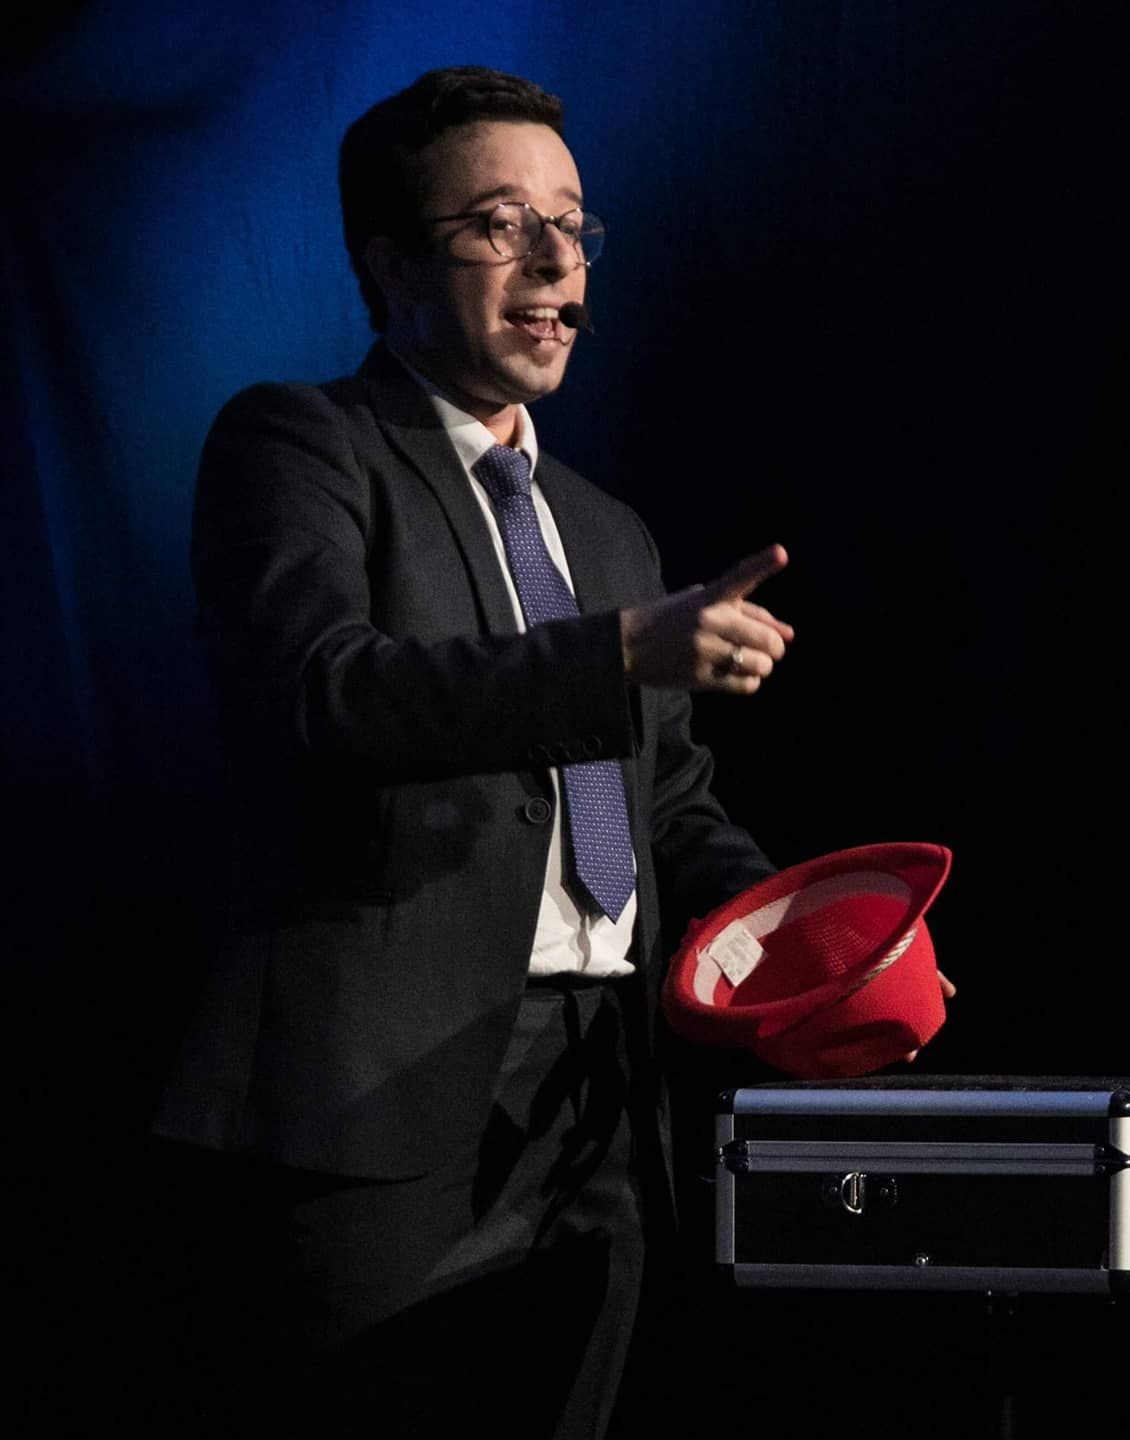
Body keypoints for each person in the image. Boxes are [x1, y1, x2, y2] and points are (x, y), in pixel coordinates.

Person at [152, 65, 797, 1439]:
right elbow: (323, 696)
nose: (555, 262)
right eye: (502, 224)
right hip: (380, 1099)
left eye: (573, 223)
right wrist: (613, 655)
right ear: (390, 265)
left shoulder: (605, 528)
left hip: (602, 1097)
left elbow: (669, 798)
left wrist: (801, 937)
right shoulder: (303, 444)